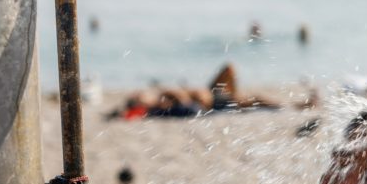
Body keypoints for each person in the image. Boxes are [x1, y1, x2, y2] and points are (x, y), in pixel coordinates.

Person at [107, 63, 280, 119]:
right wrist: (170, 92)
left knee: (229, 68)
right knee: (256, 99)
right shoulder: (160, 106)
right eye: (138, 96)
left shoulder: (160, 100)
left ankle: (236, 94)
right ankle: (289, 106)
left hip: (210, 92)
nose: (141, 93)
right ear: (139, 104)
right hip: (213, 101)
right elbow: (191, 105)